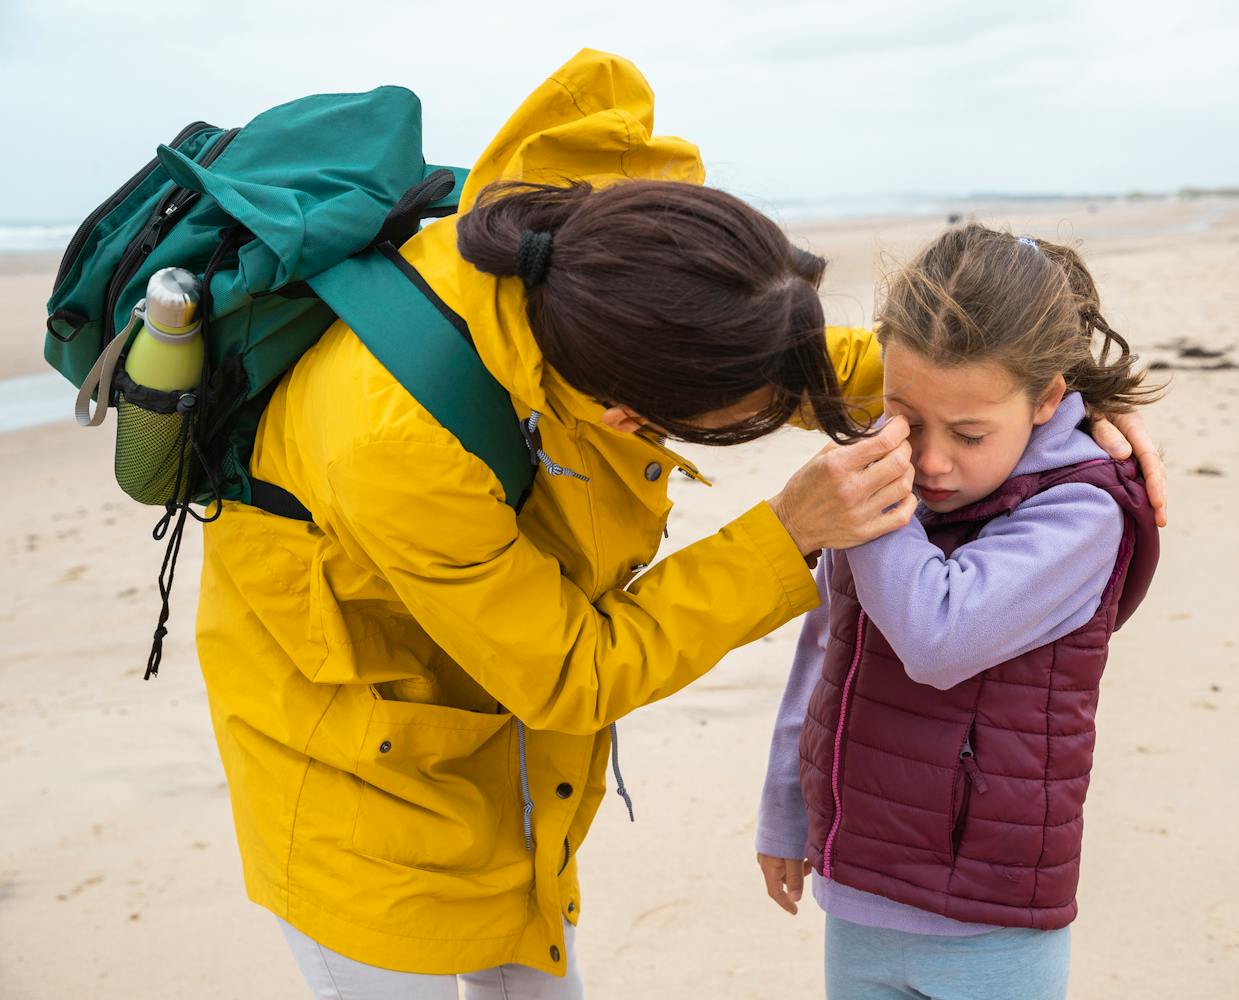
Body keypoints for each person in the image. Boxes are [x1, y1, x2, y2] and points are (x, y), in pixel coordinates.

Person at [194, 51, 1164, 998]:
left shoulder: (624, 259)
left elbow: (815, 355)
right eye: (750, 407)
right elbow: (574, 669)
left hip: (507, 741)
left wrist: (1059, 407)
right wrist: (782, 534)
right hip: (352, 766)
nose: (797, 395)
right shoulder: (391, 441)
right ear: (627, 418)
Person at [755, 226, 1163, 1000]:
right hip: (860, 891)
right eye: (906, 416)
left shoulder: (1081, 513)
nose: (934, 461)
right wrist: (783, 811)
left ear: (1048, 399)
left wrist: (875, 475)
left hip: (989, 920)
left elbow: (937, 636)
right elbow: (823, 649)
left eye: (970, 434)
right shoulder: (896, 499)